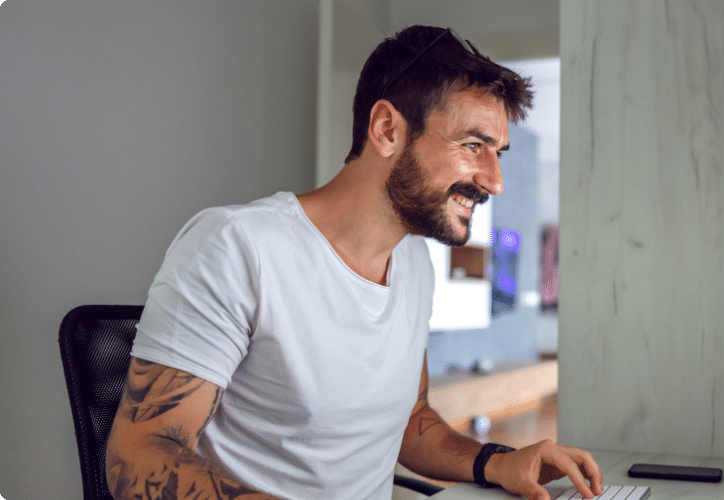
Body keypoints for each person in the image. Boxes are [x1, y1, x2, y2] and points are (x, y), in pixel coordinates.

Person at [104, 25, 604, 500]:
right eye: (473, 145)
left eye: (498, 152)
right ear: (387, 129)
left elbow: (411, 421)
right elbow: (138, 456)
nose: (494, 181)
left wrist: (497, 461)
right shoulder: (237, 247)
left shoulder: (413, 264)